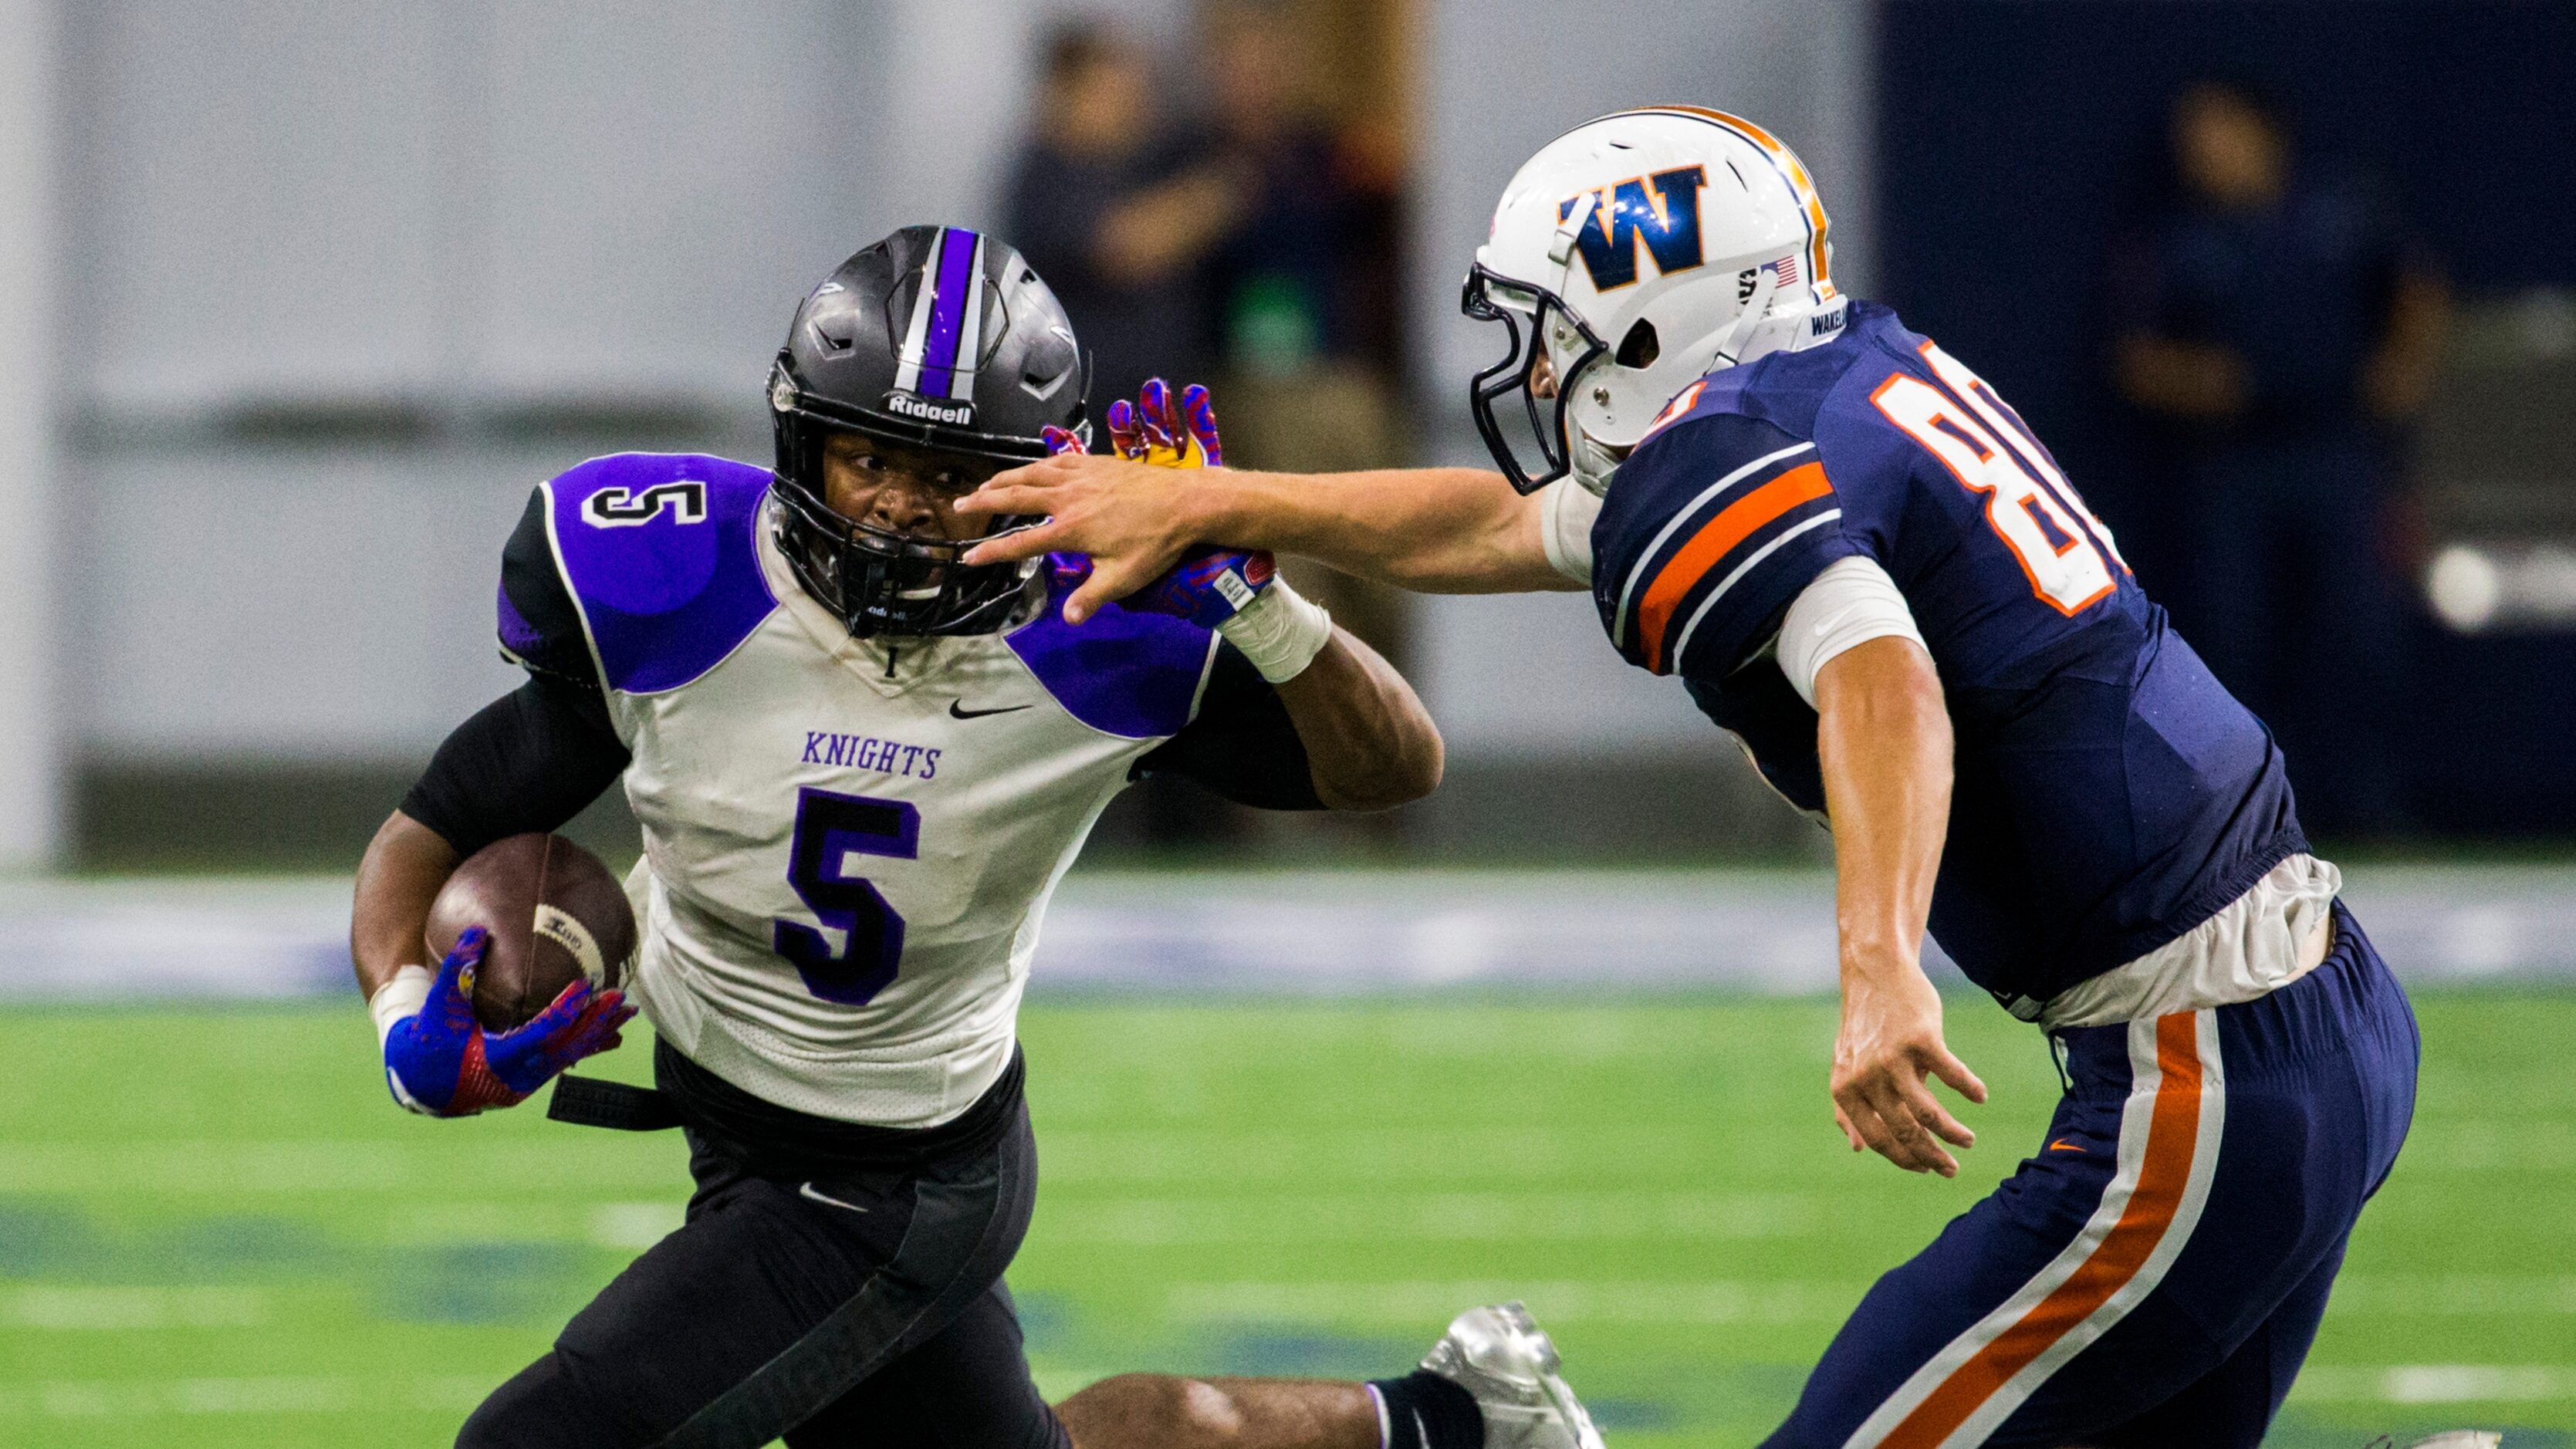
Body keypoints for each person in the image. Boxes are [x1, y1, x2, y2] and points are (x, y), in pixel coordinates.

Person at [957, 110, 2473, 1448]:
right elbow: (1504, 529)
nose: (1529, 367)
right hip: (2317, 1016)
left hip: (2200, 1084)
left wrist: (1878, 969)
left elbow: (1883, 680)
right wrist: (1231, 500)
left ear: (1647, 320)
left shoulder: (1726, 453)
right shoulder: (1838, 372)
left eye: (1548, 327)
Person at [347, 225, 1603, 1449]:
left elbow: (1393, 765)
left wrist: (1252, 600)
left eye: (953, 475)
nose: (901, 508)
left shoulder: (1103, 622)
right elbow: (435, 825)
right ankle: (1455, 1417)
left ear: (1036, 472)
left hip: (888, 1178)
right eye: (867, 458)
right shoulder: (676, 577)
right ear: (800, 443)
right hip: (730, 1110)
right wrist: (408, 1020)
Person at [2111, 79, 2447, 835]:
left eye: (2215, 132)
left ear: (2261, 132)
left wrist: (2399, 372)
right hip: (2231, 462)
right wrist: (2201, 385)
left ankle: (2374, 808)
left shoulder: (2339, 208)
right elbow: (2131, 356)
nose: (2200, 152)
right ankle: (2244, 819)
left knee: (2359, 629)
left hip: (2336, 449)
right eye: (2189, 139)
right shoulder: (2173, 237)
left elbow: (2414, 291)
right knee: (2230, 636)